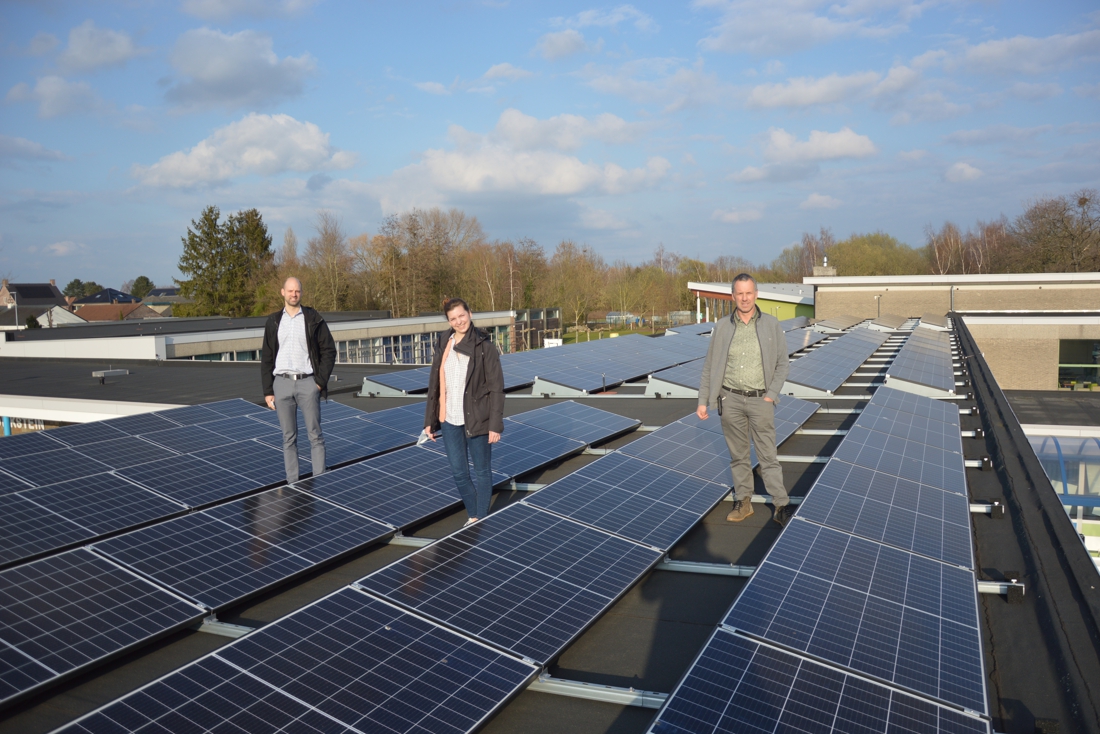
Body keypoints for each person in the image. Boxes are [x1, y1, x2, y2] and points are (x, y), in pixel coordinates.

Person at [696, 273, 793, 526]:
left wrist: (771, 395)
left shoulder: (771, 325)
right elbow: (709, 366)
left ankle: (781, 504)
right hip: (731, 400)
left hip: (761, 400)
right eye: (740, 293)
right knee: (738, 455)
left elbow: (783, 364)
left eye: (749, 293)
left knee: (767, 456)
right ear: (733, 296)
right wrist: (703, 400)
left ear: (756, 294)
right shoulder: (722, 326)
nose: (745, 298)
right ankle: (744, 502)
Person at [424, 298, 505, 526]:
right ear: (448, 321)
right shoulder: (443, 342)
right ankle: (473, 514)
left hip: (478, 418)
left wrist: (495, 425)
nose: (459, 321)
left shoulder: (484, 347)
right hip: (449, 418)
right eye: (453, 319)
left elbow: (496, 389)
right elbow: (435, 384)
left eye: (462, 315)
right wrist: (430, 421)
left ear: (470, 312)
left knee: (481, 471)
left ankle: (481, 518)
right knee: (459, 472)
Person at [261, 277, 336, 484]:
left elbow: (329, 350)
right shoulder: (274, 321)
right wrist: (268, 391)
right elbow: (267, 357)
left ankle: (320, 482)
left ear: (301, 293)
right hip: (281, 384)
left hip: (308, 383)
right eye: (290, 291)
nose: (294, 294)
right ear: (282, 292)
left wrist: (319, 382)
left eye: (298, 291)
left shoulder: (313, 318)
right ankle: (292, 484)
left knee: (315, 436)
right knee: (288, 438)